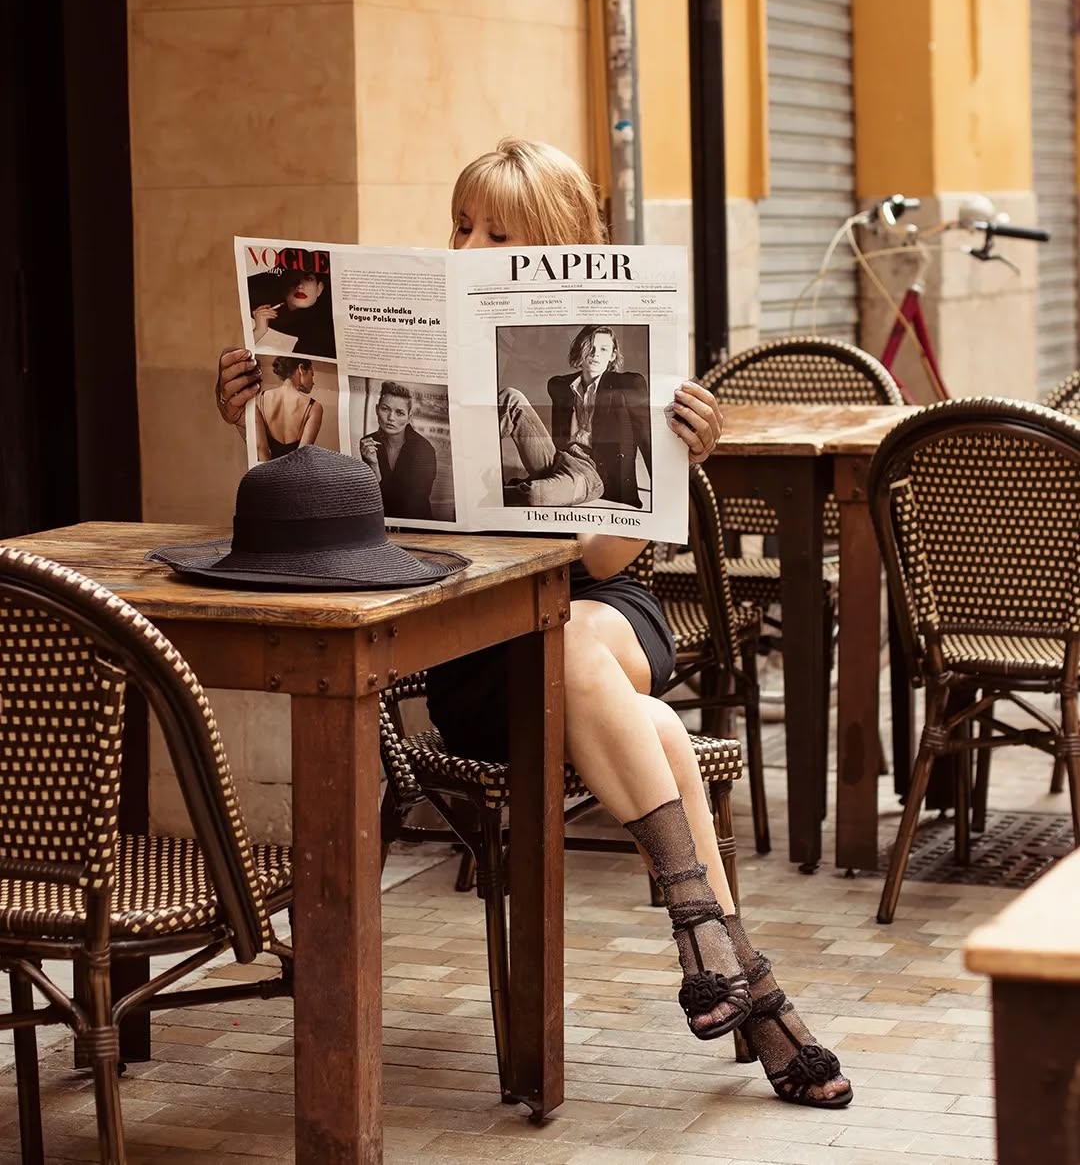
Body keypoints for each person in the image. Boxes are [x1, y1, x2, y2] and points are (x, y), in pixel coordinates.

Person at [214, 137, 852, 1108]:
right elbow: (335, 525)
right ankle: (736, 969)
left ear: (553, 247)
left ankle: (712, 948)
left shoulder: (597, 370)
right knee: (639, 712)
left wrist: (676, 457)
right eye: (461, 225)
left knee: (583, 638)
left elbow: (600, 564)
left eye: (496, 231)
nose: (469, 242)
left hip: (603, 610)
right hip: (482, 644)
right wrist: (263, 426)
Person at [500, 325, 650, 508]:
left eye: (603, 349)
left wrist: (662, 489)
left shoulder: (625, 385)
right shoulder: (561, 385)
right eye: (591, 347)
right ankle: (472, 455)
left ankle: (498, 493)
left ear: (612, 355)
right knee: (511, 397)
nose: (595, 354)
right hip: (557, 458)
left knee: (532, 494)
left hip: (590, 473)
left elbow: (645, 435)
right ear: (581, 348)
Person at [358, 380, 438, 519]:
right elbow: (368, 496)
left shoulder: (424, 449)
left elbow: (411, 502)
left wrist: (375, 470)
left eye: (399, 413)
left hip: (415, 525)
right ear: (377, 409)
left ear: (409, 418)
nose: (390, 418)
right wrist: (373, 464)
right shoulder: (368, 444)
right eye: (385, 409)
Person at [248, 268, 336, 359]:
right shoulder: (258, 310)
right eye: (293, 279)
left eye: (308, 279)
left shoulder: (325, 329)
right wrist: (258, 331)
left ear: (319, 288)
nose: (300, 286)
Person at [254, 357, 323, 461]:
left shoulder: (259, 399)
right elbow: (302, 457)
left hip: (267, 472)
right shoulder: (314, 407)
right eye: (311, 374)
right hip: (294, 474)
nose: (313, 382)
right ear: (301, 369)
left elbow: (261, 450)